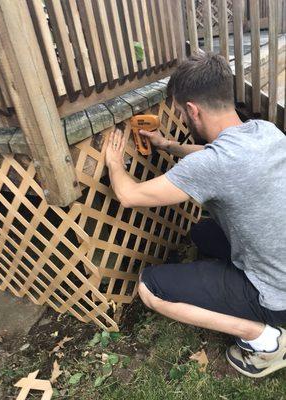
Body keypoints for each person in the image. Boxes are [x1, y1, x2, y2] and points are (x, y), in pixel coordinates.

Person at [105, 52, 286, 378]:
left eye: (180, 112)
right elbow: (213, 153)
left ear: (192, 109)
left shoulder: (212, 167)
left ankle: (264, 340)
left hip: (276, 296)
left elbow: (129, 196)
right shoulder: (265, 131)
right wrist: (169, 146)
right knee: (201, 232)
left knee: (149, 288)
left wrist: (114, 164)